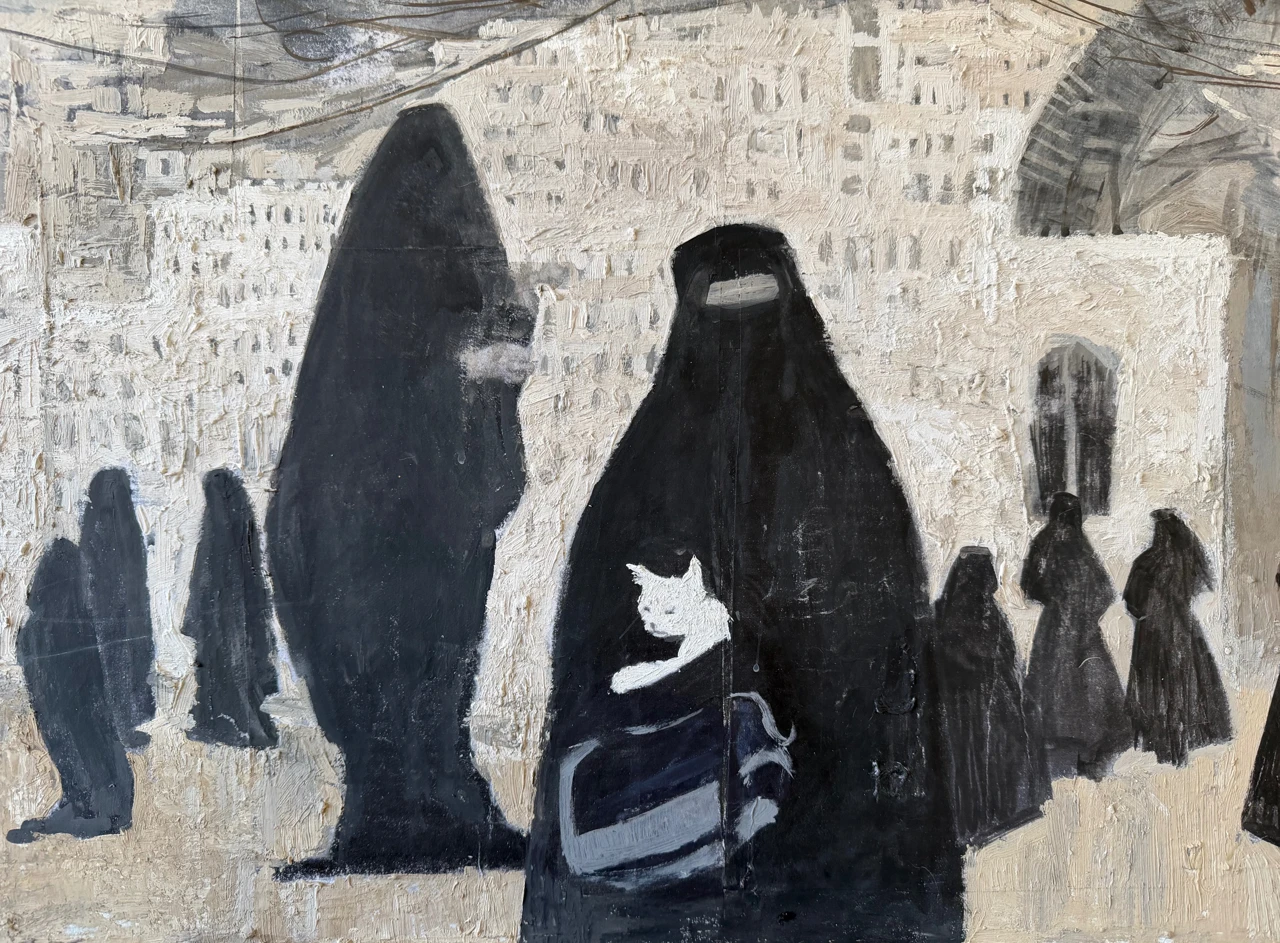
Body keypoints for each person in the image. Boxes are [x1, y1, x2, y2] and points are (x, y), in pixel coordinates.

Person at [521, 224, 963, 943]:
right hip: (673, 877)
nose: (741, 356)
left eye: (756, 315)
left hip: (830, 860)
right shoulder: (645, 486)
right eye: (721, 320)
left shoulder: (845, 468)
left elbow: (888, 670)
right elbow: (593, 675)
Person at [268, 103, 532, 875]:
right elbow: (390, 373)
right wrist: (469, 364)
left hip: (431, 522)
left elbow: (483, 356)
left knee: (439, 670)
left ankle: (435, 805)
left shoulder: (424, 272)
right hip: (371, 525)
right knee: (391, 673)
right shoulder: (380, 291)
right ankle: (394, 810)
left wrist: (493, 366)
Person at [931, 546, 1050, 846]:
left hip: (971, 704)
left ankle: (986, 814)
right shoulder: (977, 614)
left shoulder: (950, 610)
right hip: (970, 705)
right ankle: (988, 815)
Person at [1021, 492, 1130, 780]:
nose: (1069, 524)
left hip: (1072, 626)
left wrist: (1079, 610)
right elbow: (1030, 586)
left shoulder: (1066, 544)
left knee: (1083, 680)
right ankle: (1062, 738)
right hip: (1064, 626)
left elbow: (1104, 590)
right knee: (1062, 679)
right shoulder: (1050, 543)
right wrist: (1064, 603)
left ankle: (1079, 739)